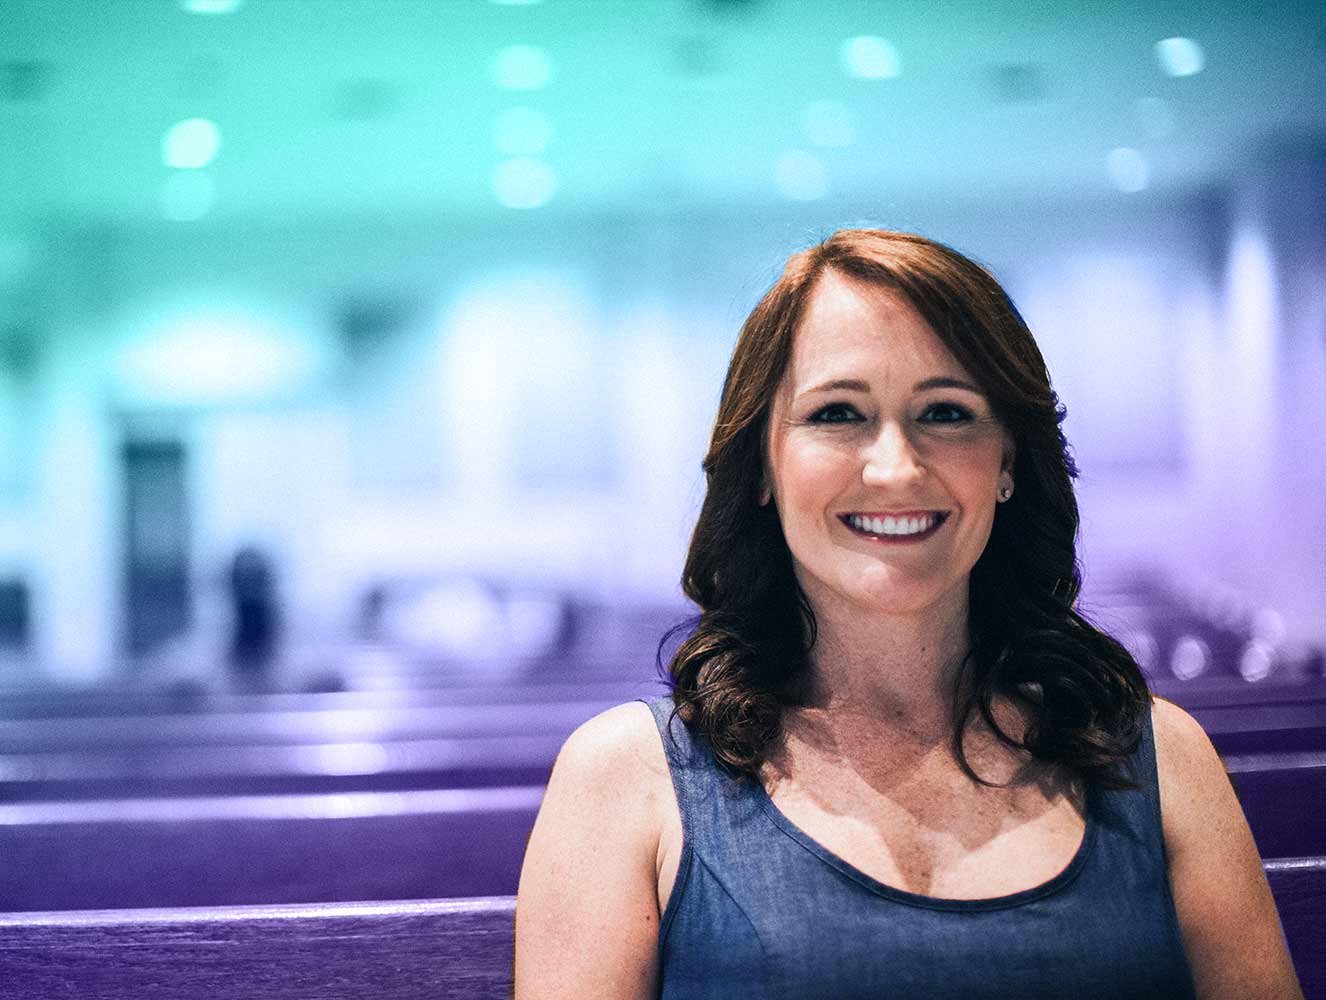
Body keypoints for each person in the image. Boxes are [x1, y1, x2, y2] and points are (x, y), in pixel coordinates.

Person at [513, 230, 1302, 998]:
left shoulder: (1162, 759)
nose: (894, 468)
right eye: (837, 414)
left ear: (1006, 464)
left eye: (947, 412)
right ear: (762, 467)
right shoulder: (628, 779)